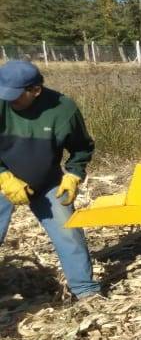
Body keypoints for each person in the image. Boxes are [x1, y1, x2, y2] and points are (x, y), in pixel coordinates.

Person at [0, 60, 101, 301]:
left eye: (15, 95)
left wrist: (74, 175)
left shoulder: (63, 109)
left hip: (47, 182)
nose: (8, 100)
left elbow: (81, 148)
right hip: (4, 179)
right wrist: (3, 175)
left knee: (69, 233)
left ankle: (86, 291)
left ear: (35, 90)